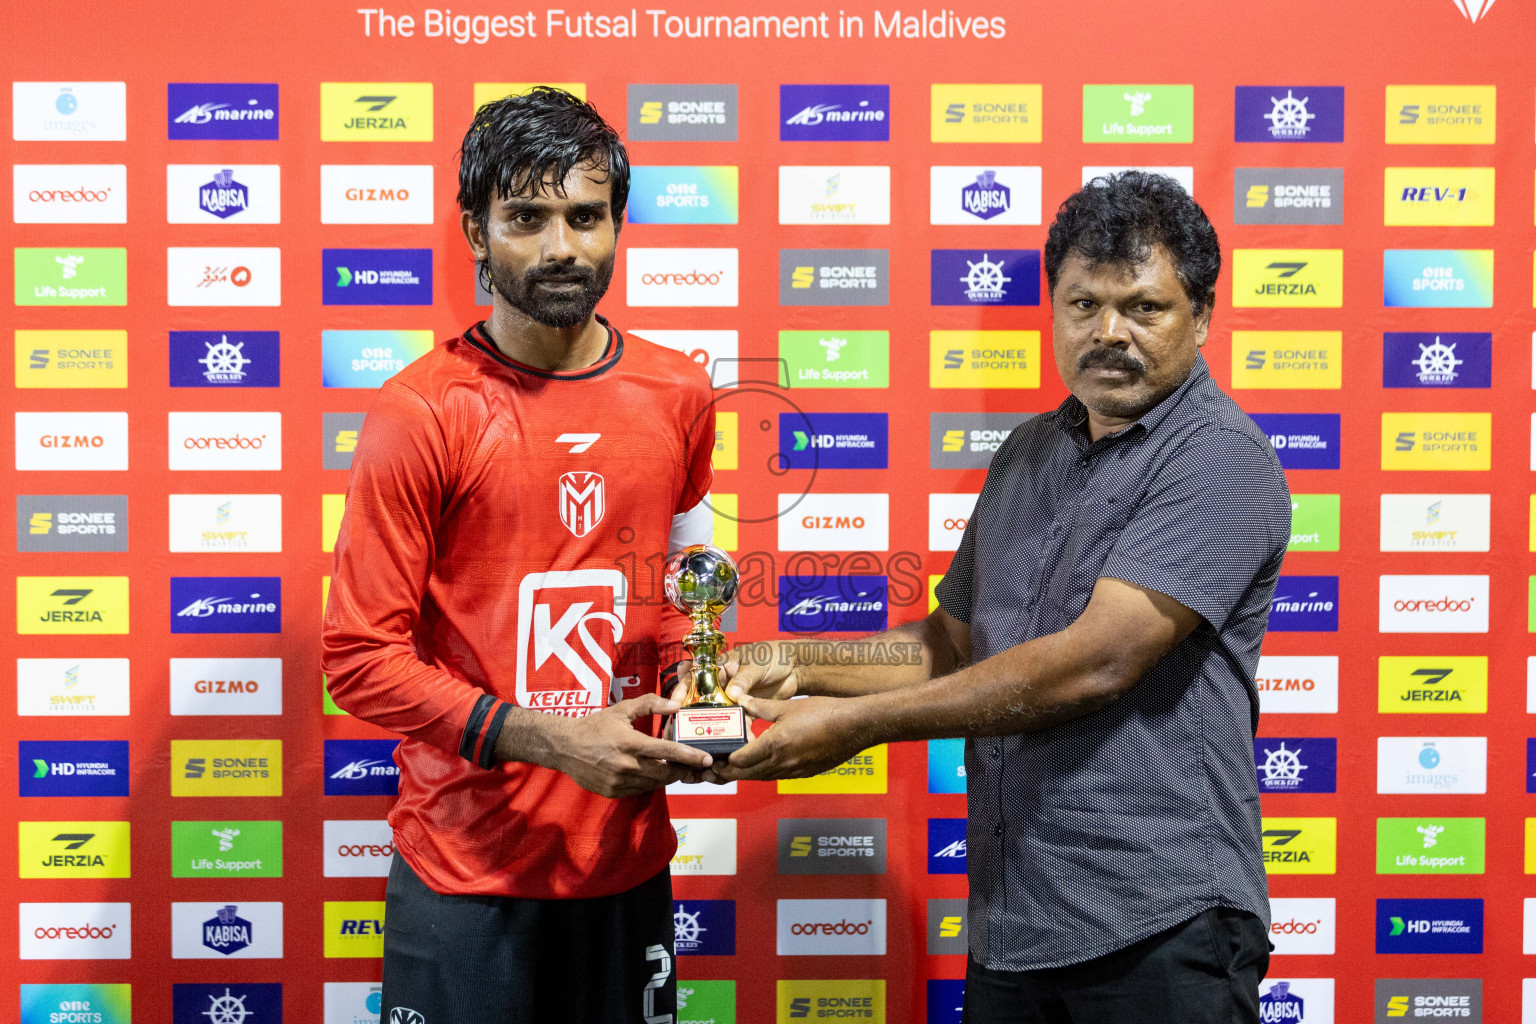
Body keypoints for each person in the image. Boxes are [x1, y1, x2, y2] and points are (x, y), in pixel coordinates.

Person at [715, 171, 1291, 1023]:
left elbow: (1095, 663)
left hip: (1162, 927)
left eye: (1144, 308)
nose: (1109, 333)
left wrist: (855, 727)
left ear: (1202, 315)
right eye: (1083, 304)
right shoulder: (1027, 453)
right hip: (1016, 925)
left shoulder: (1220, 457)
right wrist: (797, 663)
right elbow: (951, 644)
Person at [322, 86, 717, 1024]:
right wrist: (551, 739)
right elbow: (357, 659)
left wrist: (708, 699)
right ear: (475, 229)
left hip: (624, 861)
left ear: (618, 222)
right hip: (467, 872)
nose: (560, 249)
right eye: (526, 217)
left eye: (585, 217)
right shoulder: (421, 411)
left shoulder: (679, 390)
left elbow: (684, 598)